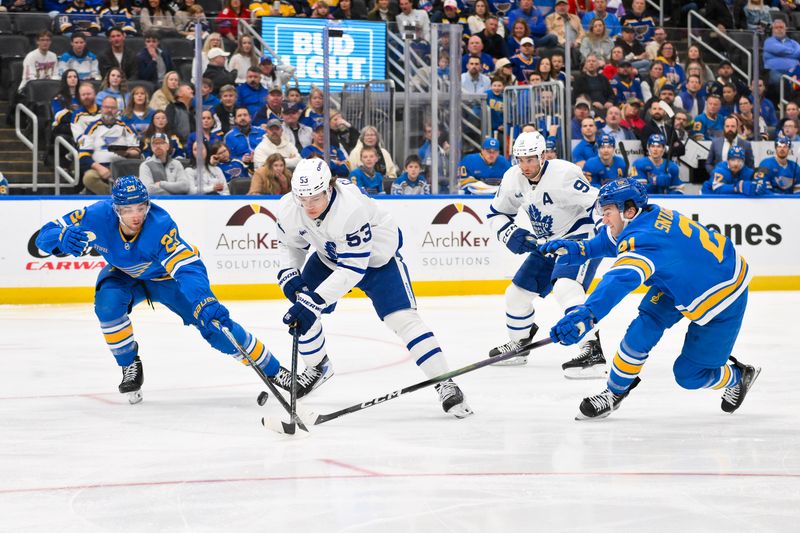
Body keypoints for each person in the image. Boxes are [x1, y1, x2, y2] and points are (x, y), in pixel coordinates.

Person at [34, 176, 293, 404]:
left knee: (215, 325)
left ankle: (273, 369)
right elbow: (41, 237)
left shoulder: (160, 225)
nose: (136, 215)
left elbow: (187, 268)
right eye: (127, 209)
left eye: (141, 207)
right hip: (125, 276)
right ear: (115, 209)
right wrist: (60, 238)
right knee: (107, 306)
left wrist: (204, 300)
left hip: (166, 278)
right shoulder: (95, 215)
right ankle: (130, 366)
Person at [545, 178, 761, 419]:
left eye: (607, 212)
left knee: (689, 375)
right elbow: (609, 242)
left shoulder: (645, 241)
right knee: (642, 328)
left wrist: (587, 314)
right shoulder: (645, 215)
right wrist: (578, 250)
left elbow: (618, 280)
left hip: (724, 296)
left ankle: (738, 377)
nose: (604, 219)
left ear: (629, 210)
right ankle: (613, 393)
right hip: (682, 279)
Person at [275, 159, 473, 418]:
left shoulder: (349, 209)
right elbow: (289, 244)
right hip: (330, 258)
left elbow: (352, 269)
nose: (309, 206)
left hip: (378, 260)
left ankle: (445, 381)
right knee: (302, 312)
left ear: (329, 189)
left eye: (315, 198)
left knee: (403, 319)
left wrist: (314, 301)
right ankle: (317, 367)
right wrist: (290, 276)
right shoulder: (290, 206)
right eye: (303, 198)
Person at [486, 131, 607, 377]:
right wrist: (509, 233)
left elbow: (597, 203)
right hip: (548, 244)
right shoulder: (512, 179)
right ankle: (520, 345)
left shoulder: (564, 173)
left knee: (565, 287)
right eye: (521, 160)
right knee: (516, 296)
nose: (525, 166)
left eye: (530, 159)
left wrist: (601, 236)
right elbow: (496, 213)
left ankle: (593, 351)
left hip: (579, 240)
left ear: (542, 156)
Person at [79, 96, 141, 195]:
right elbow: (83, 156)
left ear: (117, 110)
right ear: (101, 109)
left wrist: (126, 153)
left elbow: (137, 152)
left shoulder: (126, 127)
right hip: (99, 168)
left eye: (112, 108)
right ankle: (115, 195)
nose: (109, 110)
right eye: (106, 107)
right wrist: (99, 168)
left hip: (123, 168)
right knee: (89, 178)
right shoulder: (91, 128)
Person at [703, 145, 767, 196]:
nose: (736, 164)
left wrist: (759, 184)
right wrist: (737, 187)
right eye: (733, 160)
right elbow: (717, 189)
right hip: (708, 195)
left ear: (743, 162)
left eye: (739, 160)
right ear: (728, 160)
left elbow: (758, 183)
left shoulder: (746, 171)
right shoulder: (721, 169)